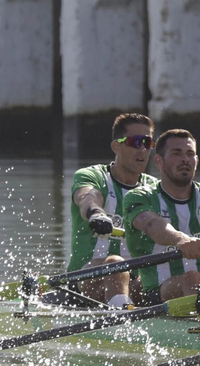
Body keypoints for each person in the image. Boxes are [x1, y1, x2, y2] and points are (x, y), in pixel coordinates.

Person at [121, 129, 200, 304]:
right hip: (157, 291)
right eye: (177, 153)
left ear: (196, 161)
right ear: (159, 161)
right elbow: (151, 224)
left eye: (190, 154)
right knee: (192, 278)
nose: (185, 159)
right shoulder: (139, 197)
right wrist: (180, 239)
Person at [67, 112, 157, 307]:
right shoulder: (94, 176)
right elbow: (87, 197)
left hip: (134, 281)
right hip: (84, 282)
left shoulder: (154, 188)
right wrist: (96, 214)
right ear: (116, 146)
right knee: (116, 264)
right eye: (135, 142)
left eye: (148, 143)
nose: (142, 149)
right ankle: (122, 318)